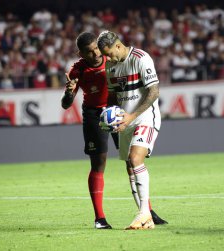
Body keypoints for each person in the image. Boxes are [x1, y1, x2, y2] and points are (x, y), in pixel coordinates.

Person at [61, 32, 167, 229]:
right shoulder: (78, 70)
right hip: (95, 115)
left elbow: (134, 92)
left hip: (120, 113)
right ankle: (100, 219)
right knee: (99, 163)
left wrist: (121, 115)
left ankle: (147, 211)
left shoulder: (115, 59)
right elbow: (66, 104)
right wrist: (68, 92)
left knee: (132, 161)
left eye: (97, 50)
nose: (96, 55)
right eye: (90, 52)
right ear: (81, 54)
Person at [97, 31, 163, 230]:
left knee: (136, 159)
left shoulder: (141, 59)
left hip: (144, 117)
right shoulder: (110, 66)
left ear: (118, 46)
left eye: (109, 53)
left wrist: (131, 117)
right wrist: (107, 116)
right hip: (124, 121)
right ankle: (145, 217)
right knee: (129, 167)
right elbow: (114, 95)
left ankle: (144, 215)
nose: (107, 59)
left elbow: (154, 92)